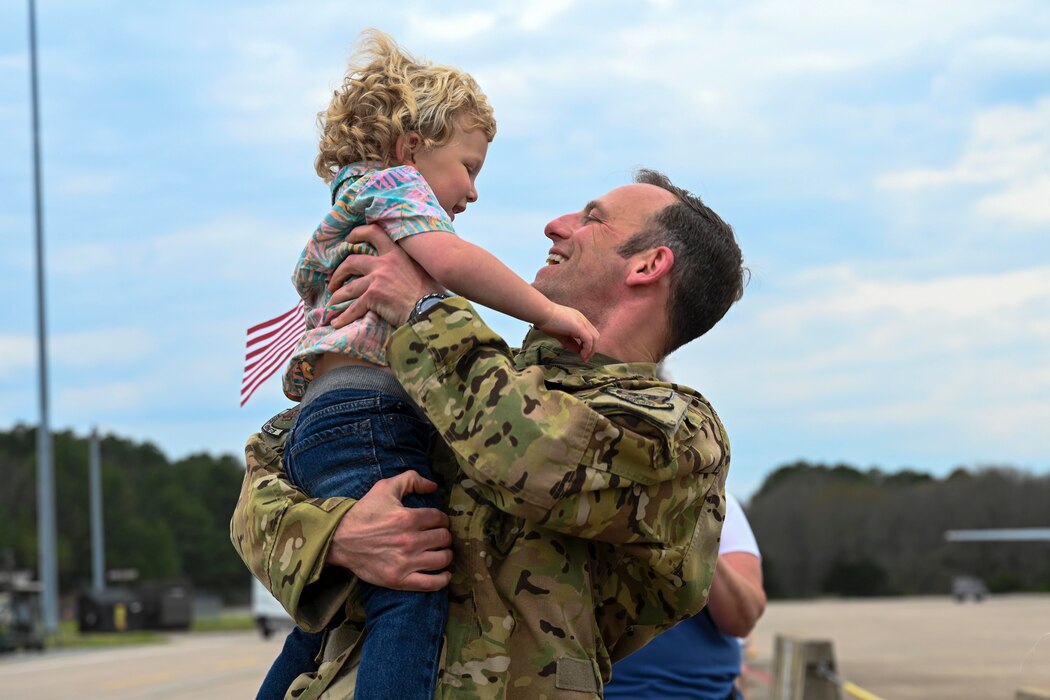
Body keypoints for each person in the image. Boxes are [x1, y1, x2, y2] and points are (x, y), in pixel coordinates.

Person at [231, 168, 747, 698]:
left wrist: (422, 308)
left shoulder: (679, 431)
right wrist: (337, 537)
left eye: (592, 219)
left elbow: (535, 458)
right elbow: (266, 476)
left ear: (648, 265)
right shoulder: (461, 369)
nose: (555, 225)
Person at [260, 30, 598, 700]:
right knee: (412, 587)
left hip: (318, 424)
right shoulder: (394, 187)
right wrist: (550, 312)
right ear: (410, 147)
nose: (472, 191)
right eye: (468, 166)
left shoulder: (352, 201)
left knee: (332, 608)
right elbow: (454, 260)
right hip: (370, 416)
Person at [604, 493, 766, 699]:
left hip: (702, 692)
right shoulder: (581, 498)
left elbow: (742, 620)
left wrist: (694, 529)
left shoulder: (717, 501)